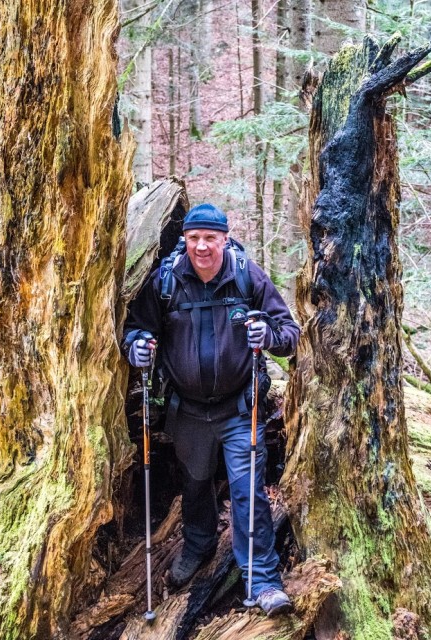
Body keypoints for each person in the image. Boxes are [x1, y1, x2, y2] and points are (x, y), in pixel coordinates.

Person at [123, 203, 300, 617]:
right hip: (186, 411)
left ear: (224, 238)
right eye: (193, 238)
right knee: (195, 483)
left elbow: (289, 335)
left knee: (247, 492)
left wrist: (267, 334)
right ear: (184, 240)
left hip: (240, 408)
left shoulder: (246, 275)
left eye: (210, 238)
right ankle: (198, 545)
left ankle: (263, 580)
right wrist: (137, 347)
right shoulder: (165, 281)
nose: (201, 247)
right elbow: (136, 327)